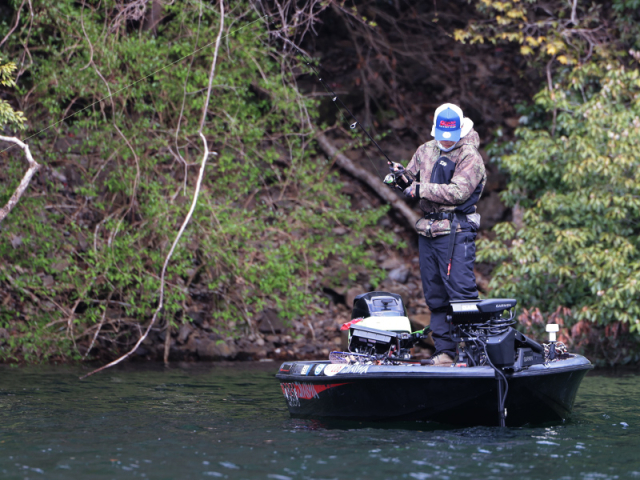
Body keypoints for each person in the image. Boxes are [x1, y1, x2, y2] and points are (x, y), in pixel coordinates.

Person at [392, 103, 486, 366]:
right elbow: (410, 177)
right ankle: (444, 352)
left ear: (459, 131)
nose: (446, 140)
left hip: (456, 231)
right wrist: (401, 176)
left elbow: (458, 192)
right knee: (435, 295)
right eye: (441, 135)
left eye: (450, 136)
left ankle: (474, 350)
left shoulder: (470, 156)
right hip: (428, 232)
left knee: (461, 292)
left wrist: (419, 188)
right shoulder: (425, 149)